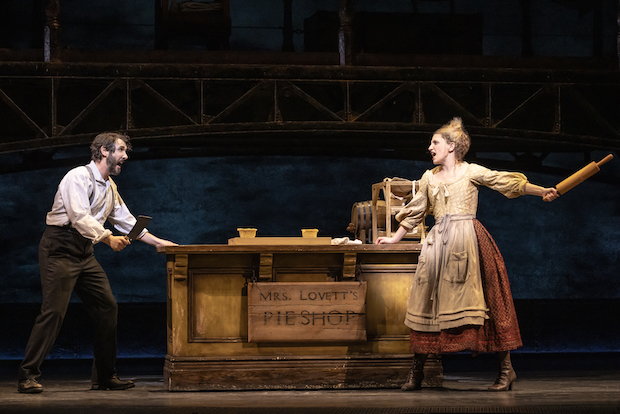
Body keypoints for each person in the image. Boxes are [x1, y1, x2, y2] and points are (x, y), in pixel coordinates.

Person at [375, 118, 558, 392]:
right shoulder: (428, 177)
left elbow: (503, 180)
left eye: (434, 142)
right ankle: (417, 372)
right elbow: (416, 210)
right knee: (427, 304)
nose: (429, 147)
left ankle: (505, 371)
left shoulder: (471, 171)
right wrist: (394, 238)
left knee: (489, 303)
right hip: (438, 246)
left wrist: (541, 190)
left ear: (451, 146)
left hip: (469, 241)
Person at [18, 132, 177, 393]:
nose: (125, 156)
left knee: (107, 308)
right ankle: (27, 375)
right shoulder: (77, 177)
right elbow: (79, 216)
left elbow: (126, 221)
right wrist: (108, 238)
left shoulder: (109, 187)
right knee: (54, 312)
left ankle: (105, 377)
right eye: (122, 150)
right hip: (60, 247)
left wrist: (161, 243)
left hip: (84, 251)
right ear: (104, 151)